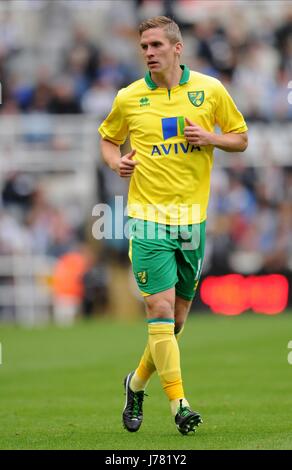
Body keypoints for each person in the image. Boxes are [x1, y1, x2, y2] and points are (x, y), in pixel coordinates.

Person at [98, 16, 248, 435]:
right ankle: (180, 405)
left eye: (156, 45)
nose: (148, 52)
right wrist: (117, 162)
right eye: (144, 46)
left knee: (174, 322)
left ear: (177, 48)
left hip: (191, 222)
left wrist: (211, 138)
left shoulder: (210, 90)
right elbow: (109, 139)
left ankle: (135, 383)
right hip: (147, 219)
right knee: (158, 309)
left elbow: (240, 136)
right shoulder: (128, 98)